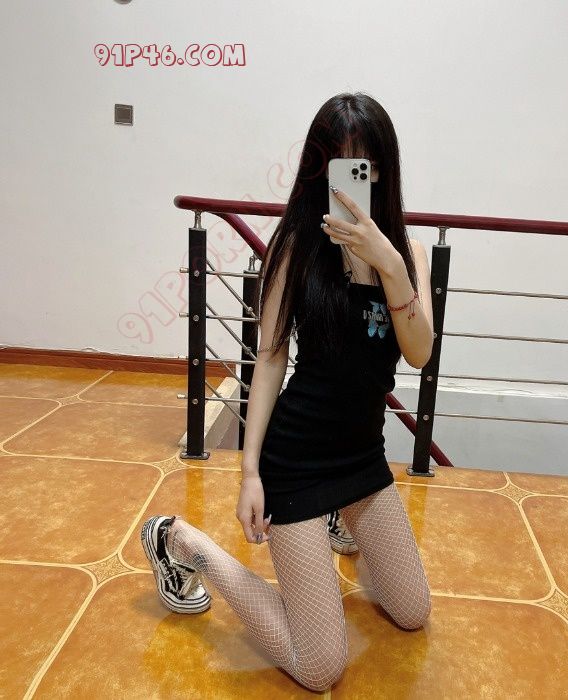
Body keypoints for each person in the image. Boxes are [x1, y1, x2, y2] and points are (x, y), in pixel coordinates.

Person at [141, 92, 434, 693]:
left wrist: (389, 266)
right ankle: (181, 541)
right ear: (317, 171)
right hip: (296, 462)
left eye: (366, 166)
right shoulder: (296, 247)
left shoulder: (406, 254)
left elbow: (420, 352)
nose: (353, 181)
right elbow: (271, 357)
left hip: (363, 458)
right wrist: (250, 472)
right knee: (320, 667)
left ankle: (338, 523)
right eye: (340, 166)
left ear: (384, 171)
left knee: (413, 611)